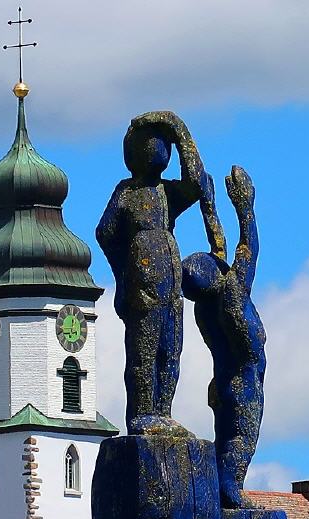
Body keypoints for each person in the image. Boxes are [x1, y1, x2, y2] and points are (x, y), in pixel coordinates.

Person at [96, 111, 225, 432]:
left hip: (171, 282)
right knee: (144, 350)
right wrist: (124, 277)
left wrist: (181, 133)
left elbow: (197, 184)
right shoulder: (127, 192)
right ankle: (142, 413)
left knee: (170, 349)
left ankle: (162, 412)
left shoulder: (167, 193)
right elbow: (105, 234)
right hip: (143, 282)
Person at [181, 166, 266, 508]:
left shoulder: (205, 306)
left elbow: (219, 249)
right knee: (241, 441)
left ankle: (221, 489)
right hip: (244, 384)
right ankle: (231, 490)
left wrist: (209, 203)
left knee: (224, 442)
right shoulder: (232, 299)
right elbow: (248, 252)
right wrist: (246, 209)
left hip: (222, 383)